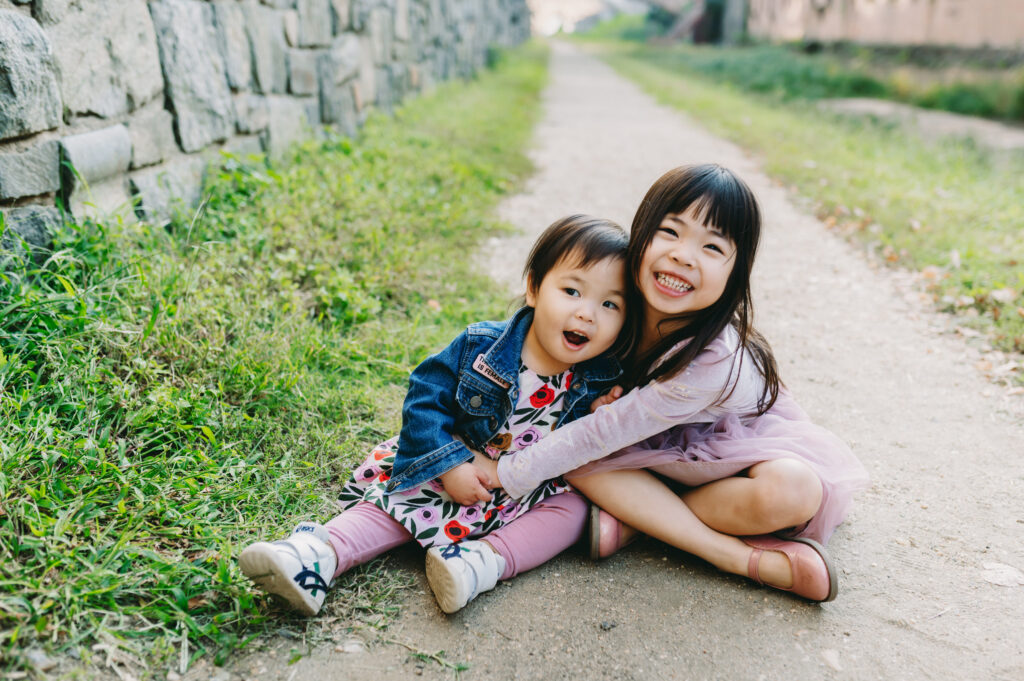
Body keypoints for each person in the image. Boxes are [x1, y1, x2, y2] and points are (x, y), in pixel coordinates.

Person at [476, 164, 870, 602]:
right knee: (578, 453)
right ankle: (653, 515)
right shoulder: (612, 294)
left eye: (713, 246)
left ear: (734, 274)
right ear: (640, 233)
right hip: (652, 445)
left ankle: (713, 549)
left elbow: (605, 432)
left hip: (735, 449)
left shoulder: (715, 358)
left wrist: (506, 472)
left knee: (793, 491)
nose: (684, 255)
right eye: (670, 231)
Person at [239, 215, 630, 615]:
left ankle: (481, 563)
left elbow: (577, 445)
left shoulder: (600, 378)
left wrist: (599, 413)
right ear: (533, 287)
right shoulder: (482, 347)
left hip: (518, 497)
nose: (587, 314)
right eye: (571, 291)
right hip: (450, 470)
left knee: (574, 509)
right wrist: (449, 465)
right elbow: (424, 400)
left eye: (610, 304)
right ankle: (316, 554)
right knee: (398, 501)